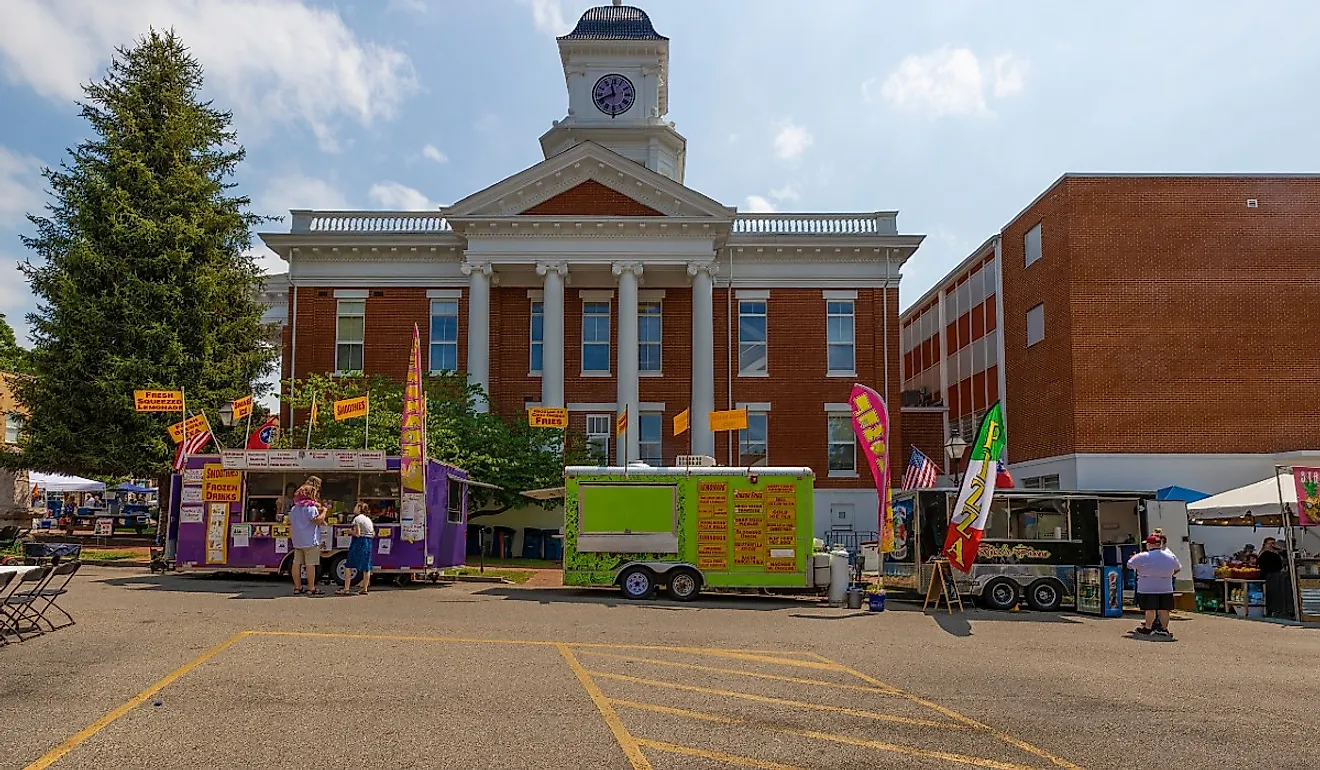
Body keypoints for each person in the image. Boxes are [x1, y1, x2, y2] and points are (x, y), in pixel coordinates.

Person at [1127, 533, 1181, 638]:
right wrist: (1168, 574)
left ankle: (1148, 628)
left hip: (1147, 587)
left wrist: (1139, 566)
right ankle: (1164, 629)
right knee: (1164, 609)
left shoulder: (1143, 556)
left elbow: (1129, 565)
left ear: (1150, 544)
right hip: (1165, 587)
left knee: (1150, 609)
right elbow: (1178, 568)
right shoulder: (1170, 556)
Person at [288, 476, 328, 595]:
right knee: (310, 564)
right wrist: (325, 511)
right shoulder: (310, 508)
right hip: (310, 540)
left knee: (296, 563)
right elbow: (317, 520)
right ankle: (311, 588)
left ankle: (297, 587)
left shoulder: (294, 508)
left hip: (297, 540)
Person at [338, 502, 376, 596]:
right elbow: (373, 533)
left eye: (356, 506)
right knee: (366, 566)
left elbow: (357, 533)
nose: (354, 508)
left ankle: (346, 589)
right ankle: (365, 588)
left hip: (358, 543)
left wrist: (349, 531)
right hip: (368, 542)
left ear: (359, 508)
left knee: (349, 565)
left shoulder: (357, 519)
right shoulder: (368, 519)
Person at [1258, 537, 1287, 618]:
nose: (1272, 545)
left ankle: (1276, 610)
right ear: (1265, 544)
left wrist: (1279, 549)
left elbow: (1285, 555)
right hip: (1269, 576)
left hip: (1276, 575)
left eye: (1273, 543)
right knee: (1272, 593)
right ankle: (1271, 610)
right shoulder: (1265, 554)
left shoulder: (1276, 553)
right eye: (1270, 543)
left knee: (1277, 593)